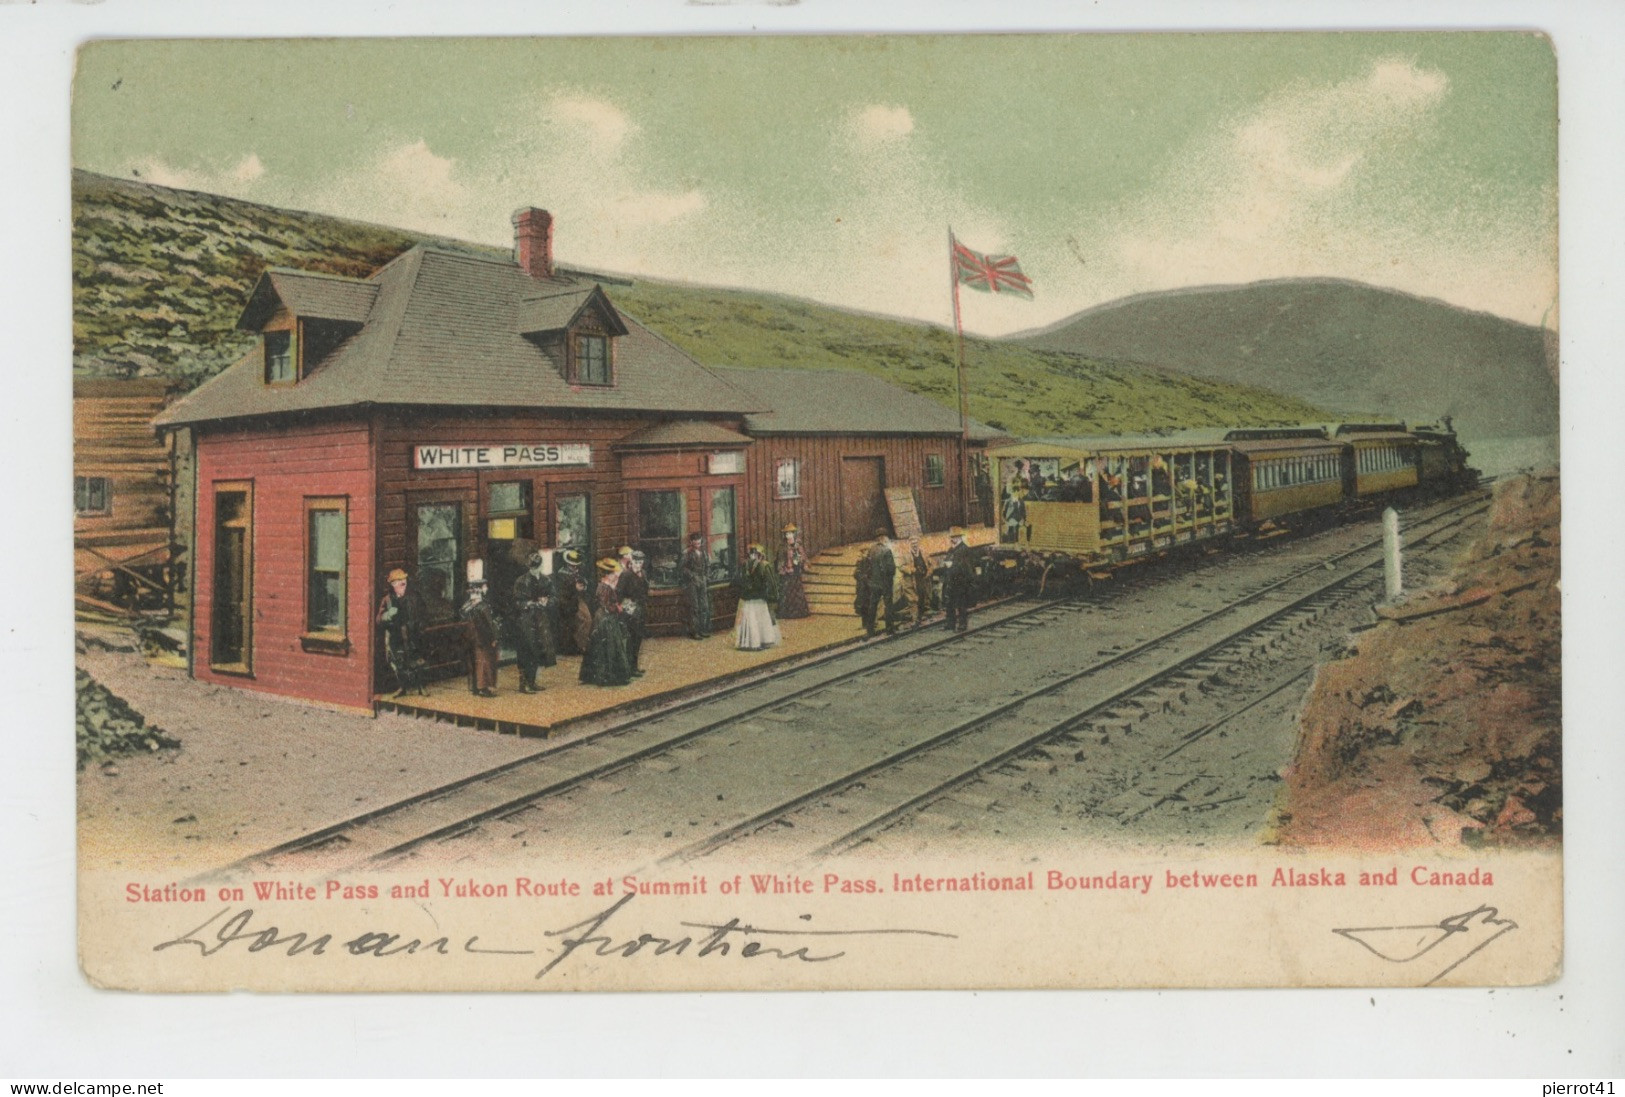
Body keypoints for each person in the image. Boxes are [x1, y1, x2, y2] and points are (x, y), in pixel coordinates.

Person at [580, 558, 635, 687]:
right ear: (608, 574)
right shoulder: (604, 587)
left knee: (607, 645)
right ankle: (607, 676)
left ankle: (603, 675)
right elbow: (605, 605)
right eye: (613, 573)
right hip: (605, 618)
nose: (615, 575)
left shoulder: (605, 585)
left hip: (606, 617)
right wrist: (619, 608)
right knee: (608, 646)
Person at [376, 567, 427, 697]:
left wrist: (420, 627)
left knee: (417, 660)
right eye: (399, 581)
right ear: (393, 585)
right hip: (396, 635)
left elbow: (424, 613)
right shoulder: (387, 600)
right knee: (398, 663)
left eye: (404, 580)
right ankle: (402, 687)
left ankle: (421, 686)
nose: (403, 583)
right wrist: (388, 614)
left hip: (413, 633)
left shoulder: (414, 596)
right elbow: (379, 619)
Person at [511, 551, 556, 693]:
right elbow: (515, 602)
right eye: (532, 567)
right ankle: (524, 683)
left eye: (537, 567)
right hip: (526, 620)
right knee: (526, 650)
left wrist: (547, 601)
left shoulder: (546, 581)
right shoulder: (521, 581)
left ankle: (532, 681)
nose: (535, 569)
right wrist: (528, 603)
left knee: (537, 649)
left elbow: (554, 597)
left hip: (541, 619)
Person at [734, 543, 781, 650]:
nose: (753, 556)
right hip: (755, 597)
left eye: (755, 554)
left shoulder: (759, 565)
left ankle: (759, 641)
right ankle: (755, 642)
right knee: (754, 619)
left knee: (756, 619)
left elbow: (768, 582)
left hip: (754, 597)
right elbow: (769, 582)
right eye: (752, 554)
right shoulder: (754, 565)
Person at [459, 579, 499, 697]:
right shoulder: (483, 606)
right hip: (484, 638)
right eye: (484, 587)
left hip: (471, 637)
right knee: (485, 662)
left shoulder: (467, 605)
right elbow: (490, 624)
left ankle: (475, 687)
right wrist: (495, 638)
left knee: (474, 662)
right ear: (480, 590)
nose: (486, 589)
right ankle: (484, 687)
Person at [856, 528, 898, 637]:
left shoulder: (871, 550)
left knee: (873, 606)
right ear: (883, 538)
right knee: (888, 605)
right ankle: (890, 629)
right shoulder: (887, 551)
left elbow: (868, 567)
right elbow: (891, 569)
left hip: (874, 583)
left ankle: (870, 631)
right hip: (885, 583)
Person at [616, 546, 649, 677]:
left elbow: (645, 589)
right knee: (630, 640)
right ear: (631, 562)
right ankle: (628, 668)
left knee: (638, 640)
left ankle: (634, 667)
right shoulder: (626, 574)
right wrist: (624, 608)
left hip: (640, 609)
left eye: (640, 562)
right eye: (636, 562)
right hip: (630, 610)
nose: (638, 565)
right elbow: (619, 593)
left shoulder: (643, 574)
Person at [551, 549, 588, 657]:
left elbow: (584, 582)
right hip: (566, 602)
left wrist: (583, 587)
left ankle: (579, 644)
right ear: (568, 564)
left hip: (576, 600)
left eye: (576, 566)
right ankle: (575, 646)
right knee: (570, 625)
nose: (575, 568)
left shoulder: (577, 573)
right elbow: (562, 591)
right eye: (572, 565)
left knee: (585, 619)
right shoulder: (562, 573)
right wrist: (574, 588)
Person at [940, 526, 977, 633]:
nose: (953, 539)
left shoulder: (965, 549)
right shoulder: (951, 550)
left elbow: (966, 567)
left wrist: (952, 566)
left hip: (961, 581)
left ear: (960, 537)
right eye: (952, 537)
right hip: (951, 580)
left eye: (955, 537)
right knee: (949, 603)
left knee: (961, 604)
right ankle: (950, 624)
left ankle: (962, 625)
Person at [679, 531, 713, 640]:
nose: (698, 543)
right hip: (692, 583)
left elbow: (708, 565)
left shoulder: (703, 553)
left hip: (702, 581)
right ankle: (695, 631)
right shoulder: (687, 553)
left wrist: (706, 577)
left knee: (704, 606)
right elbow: (682, 568)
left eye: (699, 541)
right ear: (691, 542)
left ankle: (703, 630)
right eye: (696, 542)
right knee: (694, 607)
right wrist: (692, 575)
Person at [776, 524, 810, 620]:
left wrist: (802, 562)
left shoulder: (798, 545)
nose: (788, 536)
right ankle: (785, 613)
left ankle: (798, 612)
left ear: (794, 534)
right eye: (786, 534)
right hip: (786, 571)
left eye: (790, 533)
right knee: (785, 591)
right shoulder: (782, 546)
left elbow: (803, 556)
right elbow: (780, 559)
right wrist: (781, 568)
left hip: (796, 571)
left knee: (796, 592)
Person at [907, 536, 934, 629]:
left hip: (924, 579)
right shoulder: (906, 555)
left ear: (918, 543)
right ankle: (916, 619)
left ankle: (923, 615)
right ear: (910, 544)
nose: (914, 545)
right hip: (913, 580)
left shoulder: (924, 553)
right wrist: (912, 570)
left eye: (916, 543)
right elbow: (901, 566)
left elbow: (931, 564)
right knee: (914, 600)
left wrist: (929, 572)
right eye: (912, 543)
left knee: (924, 596)